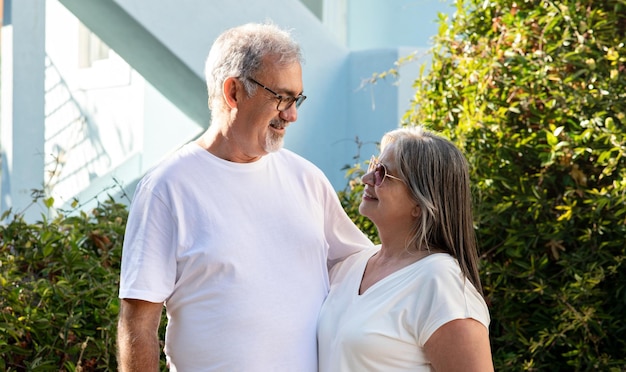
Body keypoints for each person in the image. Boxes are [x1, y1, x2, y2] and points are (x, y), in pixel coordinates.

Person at [116, 22, 373, 371]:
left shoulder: (307, 179)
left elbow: (362, 269)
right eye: (281, 97)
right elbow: (138, 325)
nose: (292, 114)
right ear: (233, 92)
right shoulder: (167, 188)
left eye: (297, 99)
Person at [317, 126, 494, 371]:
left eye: (383, 174)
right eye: (374, 166)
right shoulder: (351, 264)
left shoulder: (441, 282)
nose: (366, 179)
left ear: (421, 204)